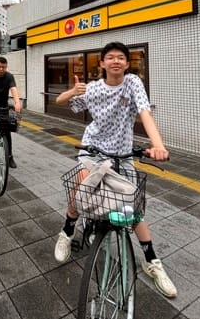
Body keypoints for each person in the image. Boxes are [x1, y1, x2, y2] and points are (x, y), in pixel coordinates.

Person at [54, 41, 177, 298]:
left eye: (120, 57)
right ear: (102, 63)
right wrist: (72, 91)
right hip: (93, 149)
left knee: (133, 208)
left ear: (127, 63)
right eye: (110, 57)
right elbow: (62, 101)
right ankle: (67, 230)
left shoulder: (132, 83)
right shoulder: (94, 88)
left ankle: (151, 260)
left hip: (122, 153)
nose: (116, 61)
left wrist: (158, 146)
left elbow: (144, 113)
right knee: (82, 186)